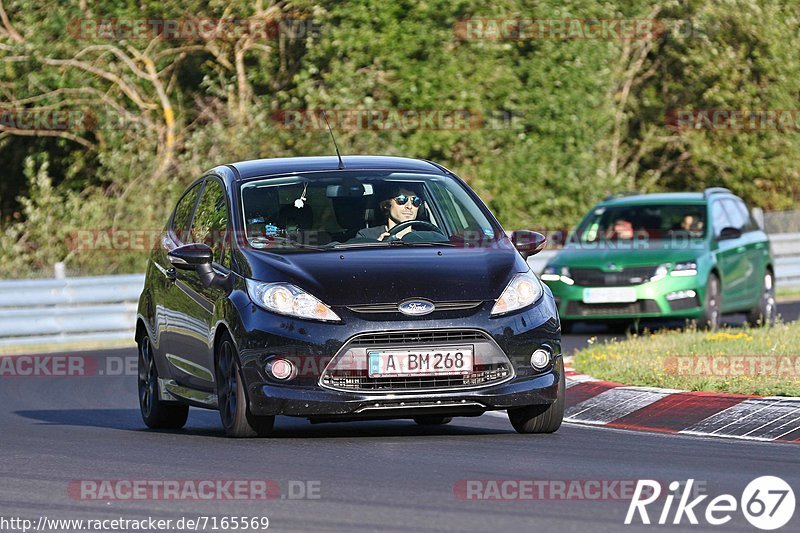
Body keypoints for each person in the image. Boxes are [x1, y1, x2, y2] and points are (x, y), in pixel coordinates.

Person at [356, 186, 423, 241]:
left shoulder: (425, 238)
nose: (409, 206)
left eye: (416, 201)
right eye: (401, 199)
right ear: (387, 204)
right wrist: (377, 247)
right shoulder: (366, 236)